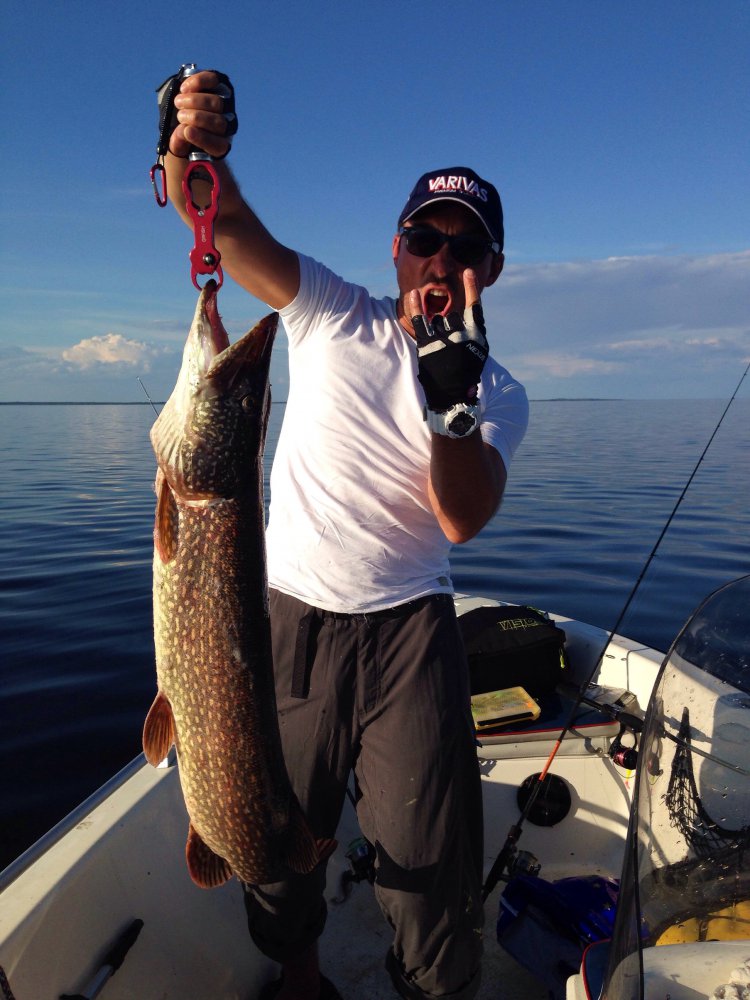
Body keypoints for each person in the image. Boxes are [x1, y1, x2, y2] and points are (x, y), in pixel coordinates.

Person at [162, 69, 529, 1000]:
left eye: (465, 247)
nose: (441, 261)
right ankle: (299, 973)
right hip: (290, 619)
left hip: (412, 632)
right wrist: (191, 144)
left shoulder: (500, 392)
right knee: (270, 832)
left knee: (431, 866)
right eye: (425, 240)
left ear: (490, 269)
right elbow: (224, 224)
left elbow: (462, 516)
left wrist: (451, 405)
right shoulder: (334, 313)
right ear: (397, 249)